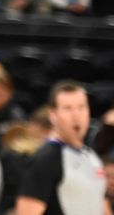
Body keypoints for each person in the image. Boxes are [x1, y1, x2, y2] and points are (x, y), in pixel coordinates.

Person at [16, 81, 111, 215]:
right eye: (68, 108)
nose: (76, 115)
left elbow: (102, 207)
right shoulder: (45, 160)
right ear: (53, 115)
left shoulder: (92, 157)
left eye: (81, 107)